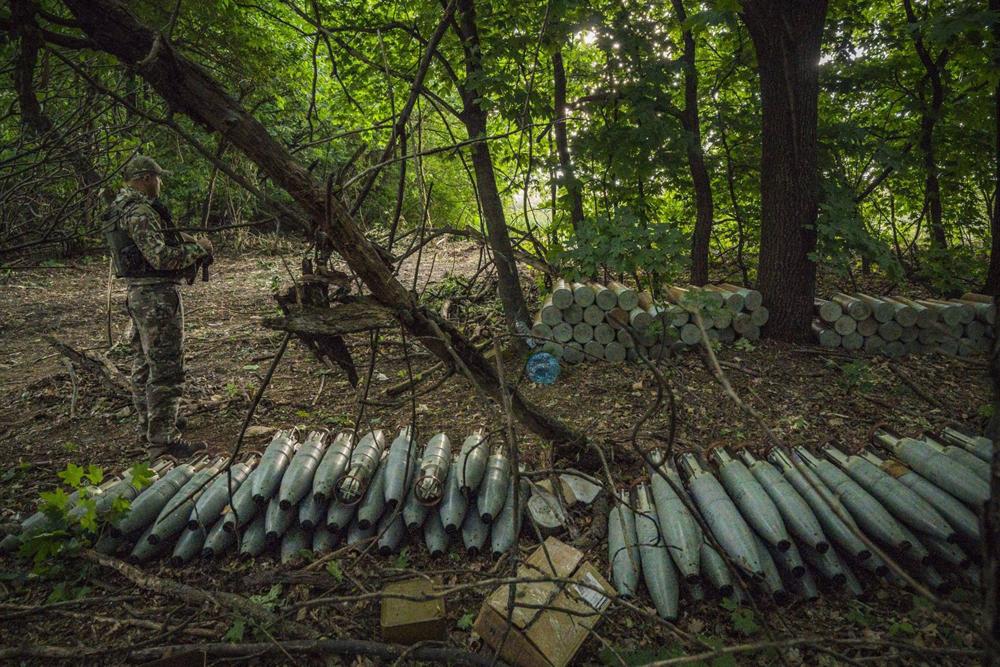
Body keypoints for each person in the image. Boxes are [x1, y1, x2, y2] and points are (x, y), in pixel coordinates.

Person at [104, 155, 213, 459]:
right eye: (157, 177)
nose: (160, 183)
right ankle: (163, 441)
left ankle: (150, 429)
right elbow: (160, 258)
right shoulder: (139, 211)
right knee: (166, 369)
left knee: (143, 366)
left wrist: (181, 240)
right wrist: (197, 249)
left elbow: (146, 247)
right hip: (156, 297)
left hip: (139, 294)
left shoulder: (120, 208)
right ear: (145, 178)